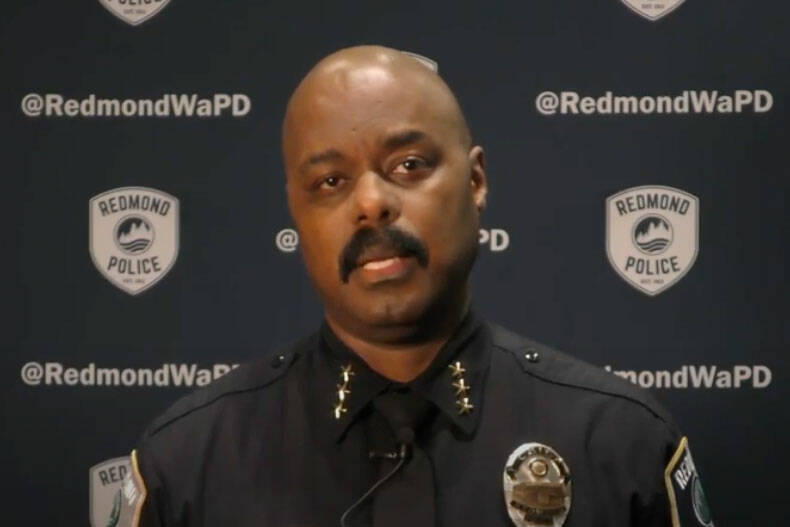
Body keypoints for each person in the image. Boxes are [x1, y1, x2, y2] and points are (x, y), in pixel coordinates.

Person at [122, 46, 714, 527]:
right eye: (330, 181)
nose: (371, 203)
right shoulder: (188, 463)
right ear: (295, 213)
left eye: (408, 165)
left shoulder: (620, 443)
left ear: (476, 181)